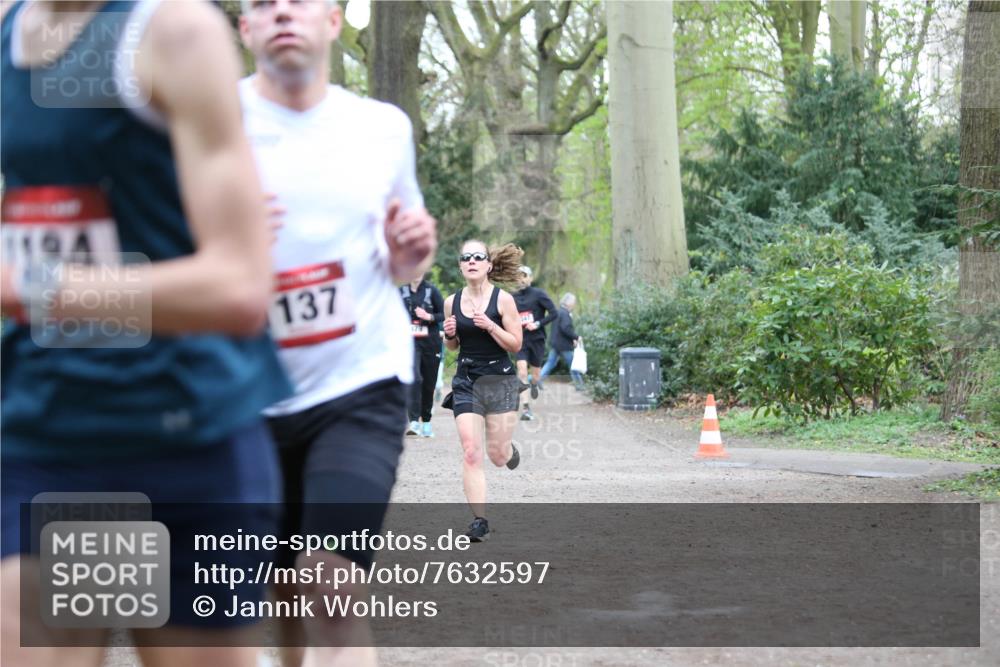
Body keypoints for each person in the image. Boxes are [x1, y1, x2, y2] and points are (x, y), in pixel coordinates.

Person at [1, 1, 292, 666]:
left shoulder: (174, 32)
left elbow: (239, 286)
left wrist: (36, 288)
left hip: (186, 439)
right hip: (48, 435)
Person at [237, 1, 436, 666]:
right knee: (277, 584)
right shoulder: (213, 121)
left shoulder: (380, 127)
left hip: (359, 379)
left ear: (333, 19)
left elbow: (406, 255)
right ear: (244, 28)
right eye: (263, 4)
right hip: (245, 389)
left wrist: (411, 250)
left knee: (331, 585)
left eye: (298, 1)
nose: (282, 13)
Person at [442, 241, 524, 542]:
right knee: (471, 451)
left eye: (478, 256)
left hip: (500, 379)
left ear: (489, 265)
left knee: (497, 456)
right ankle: (480, 521)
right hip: (466, 379)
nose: (472, 261)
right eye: (466, 257)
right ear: (461, 266)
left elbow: (516, 345)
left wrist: (490, 325)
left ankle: (509, 449)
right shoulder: (451, 301)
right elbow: (452, 345)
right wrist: (448, 334)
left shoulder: (503, 301)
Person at [401, 273, 444, 437]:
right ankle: (413, 422)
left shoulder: (432, 291)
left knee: (428, 383)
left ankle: (426, 421)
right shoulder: (401, 292)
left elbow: (444, 314)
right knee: (415, 378)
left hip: (431, 343)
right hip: (409, 343)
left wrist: (429, 316)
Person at [511, 265, 557, 420]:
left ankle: (535, 383)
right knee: (522, 371)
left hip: (537, 339)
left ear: (530, 278)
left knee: (535, 374)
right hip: (520, 339)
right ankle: (526, 408)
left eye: (524, 276)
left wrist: (537, 323)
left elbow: (554, 313)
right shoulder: (511, 297)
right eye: (518, 276)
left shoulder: (538, 294)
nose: (521, 279)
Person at [539, 292, 585, 391]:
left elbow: (560, 329)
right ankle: (580, 385)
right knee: (573, 365)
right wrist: (576, 337)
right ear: (568, 302)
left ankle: (538, 379)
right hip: (564, 345)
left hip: (556, 344)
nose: (574, 303)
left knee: (550, 363)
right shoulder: (565, 314)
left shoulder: (558, 312)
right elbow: (566, 328)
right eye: (573, 301)